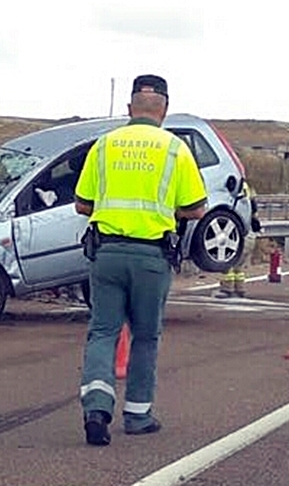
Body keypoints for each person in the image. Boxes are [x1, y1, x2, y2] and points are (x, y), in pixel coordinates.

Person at [73, 74, 209, 446]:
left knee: (103, 331)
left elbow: (82, 204)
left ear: (130, 108)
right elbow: (197, 208)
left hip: (106, 254)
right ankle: (137, 415)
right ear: (164, 109)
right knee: (145, 336)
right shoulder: (175, 149)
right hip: (151, 257)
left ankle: (97, 410)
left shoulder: (104, 146)